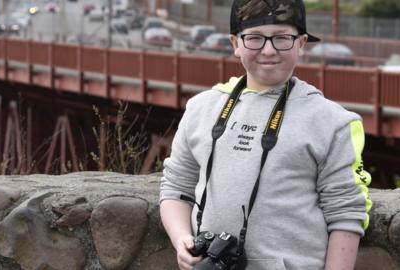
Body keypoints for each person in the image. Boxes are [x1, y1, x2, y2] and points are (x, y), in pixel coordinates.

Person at [159, 0, 372, 269]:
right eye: (254, 38)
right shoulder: (200, 108)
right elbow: (176, 188)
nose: (268, 50)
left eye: (282, 38)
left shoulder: (334, 122)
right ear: (235, 44)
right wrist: (182, 240)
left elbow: (346, 213)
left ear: (301, 43)